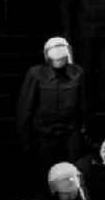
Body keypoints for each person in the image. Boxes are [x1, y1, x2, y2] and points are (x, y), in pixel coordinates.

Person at [16, 37, 87, 172]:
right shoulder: (36, 74)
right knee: (48, 172)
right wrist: (25, 140)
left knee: (74, 170)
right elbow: (25, 109)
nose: (59, 61)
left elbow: (84, 104)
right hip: (45, 135)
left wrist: (84, 130)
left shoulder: (77, 73)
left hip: (71, 132)